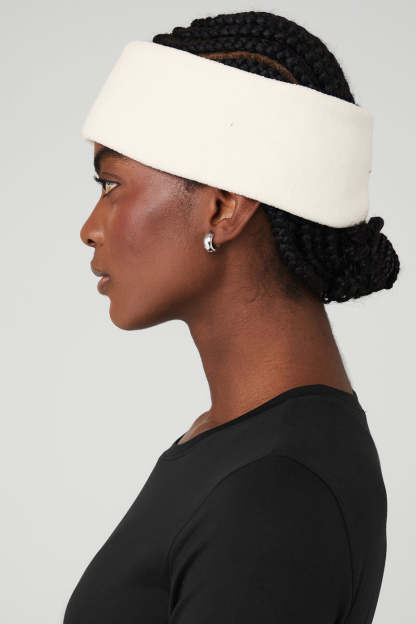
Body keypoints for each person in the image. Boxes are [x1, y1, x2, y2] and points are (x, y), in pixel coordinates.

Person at [63, 10, 399, 624]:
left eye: (111, 185)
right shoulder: (240, 447)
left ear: (223, 209)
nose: (90, 229)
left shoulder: (275, 488)